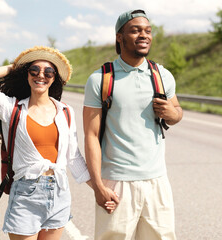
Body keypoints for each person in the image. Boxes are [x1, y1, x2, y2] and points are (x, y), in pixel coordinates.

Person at [0, 46, 95, 239]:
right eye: (34, 70)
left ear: (54, 77)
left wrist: (99, 189)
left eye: (48, 71)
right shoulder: (11, 108)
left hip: (59, 193)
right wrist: (15, 67)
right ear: (27, 75)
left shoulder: (65, 112)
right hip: (25, 194)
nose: (41, 75)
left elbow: (73, 157)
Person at [83, 10, 183, 240]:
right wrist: (98, 186)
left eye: (147, 31)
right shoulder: (101, 79)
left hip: (157, 181)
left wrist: (172, 113)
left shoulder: (162, 75)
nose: (144, 35)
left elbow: (177, 113)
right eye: (135, 30)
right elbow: (91, 135)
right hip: (117, 182)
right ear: (119, 37)